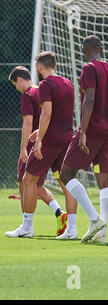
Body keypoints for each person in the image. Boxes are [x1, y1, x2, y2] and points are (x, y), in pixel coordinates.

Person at [5, 52, 77, 238]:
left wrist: (26, 147)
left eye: (15, 85)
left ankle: (27, 226)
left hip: (44, 142)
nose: (16, 88)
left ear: (20, 80)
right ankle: (71, 225)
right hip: (65, 137)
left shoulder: (30, 94)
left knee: (27, 182)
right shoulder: (57, 86)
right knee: (65, 181)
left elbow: (31, 122)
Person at [60, 35, 108, 242]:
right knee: (104, 179)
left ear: (84, 51)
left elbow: (90, 99)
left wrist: (83, 132)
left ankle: (95, 219)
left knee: (66, 173)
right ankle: (102, 235)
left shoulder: (89, 68)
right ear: (101, 49)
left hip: (92, 129)